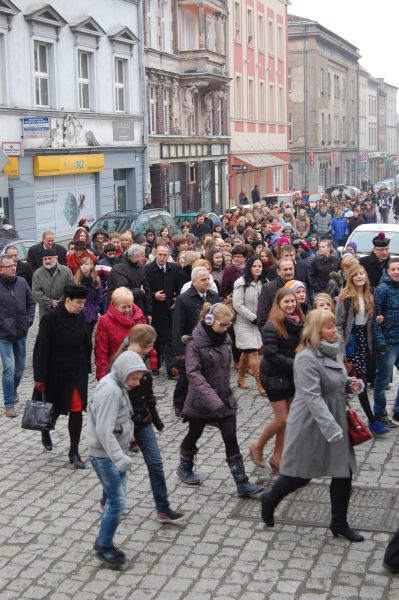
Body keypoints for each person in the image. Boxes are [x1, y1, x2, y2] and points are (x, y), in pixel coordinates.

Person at [260, 310, 365, 543]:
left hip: (334, 416)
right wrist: (332, 429)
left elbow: (334, 381)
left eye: (334, 326)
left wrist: (350, 384)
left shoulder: (333, 349)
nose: (334, 330)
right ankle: (270, 499)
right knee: (300, 475)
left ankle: (339, 522)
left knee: (343, 471)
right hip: (311, 423)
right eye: (329, 327)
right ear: (316, 331)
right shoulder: (306, 358)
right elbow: (312, 397)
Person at [177, 302, 264, 498]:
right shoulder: (194, 344)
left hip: (224, 399)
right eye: (223, 325)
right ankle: (185, 466)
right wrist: (213, 400)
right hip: (201, 401)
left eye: (228, 325)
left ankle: (242, 483)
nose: (227, 329)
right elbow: (194, 375)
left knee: (230, 438)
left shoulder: (225, 340)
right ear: (209, 321)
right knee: (194, 433)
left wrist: (223, 398)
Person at [110, 325, 184, 524]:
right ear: (134, 342)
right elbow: (115, 399)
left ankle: (163, 508)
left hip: (143, 421)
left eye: (151, 347)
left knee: (156, 463)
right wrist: (125, 430)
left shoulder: (142, 361)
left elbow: (148, 396)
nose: (149, 350)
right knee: (120, 466)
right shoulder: (120, 363)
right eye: (146, 346)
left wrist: (157, 420)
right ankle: (109, 500)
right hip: (124, 424)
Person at [88, 350, 147, 566]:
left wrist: (128, 437)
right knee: (117, 501)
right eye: (134, 378)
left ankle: (103, 542)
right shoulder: (111, 391)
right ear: (123, 372)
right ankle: (104, 546)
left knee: (116, 500)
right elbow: (104, 430)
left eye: (139, 379)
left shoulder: (116, 384)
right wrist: (120, 459)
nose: (136, 383)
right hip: (106, 457)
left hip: (114, 453)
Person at [33, 284, 91, 468]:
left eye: (84, 302)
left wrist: (87, 364)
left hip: (77, 370)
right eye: (79, 302)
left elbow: (85, 343)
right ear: (68, 300)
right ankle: (45, 428)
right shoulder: (50, 319)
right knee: (55, 408)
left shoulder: (80, 316)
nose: (82, 306)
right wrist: (39, 377)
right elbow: (42, 349)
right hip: (56, 371)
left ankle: (74, 451)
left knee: (76, 408)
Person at [249, 288, 303, 473]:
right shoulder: (272, 325)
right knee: (282, 418)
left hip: (291, 376)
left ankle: (277, 458)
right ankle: (257, 446)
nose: (290, 305)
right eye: (286, 302)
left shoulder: (298, 322)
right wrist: (297, 364)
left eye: (292, 301)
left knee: (288, 420)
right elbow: (271, 355)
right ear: (278, 304)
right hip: (274, 376)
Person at [336, 264, 387, 437]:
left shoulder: (369, 295)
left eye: (362, 274)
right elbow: (338, 324)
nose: (359, 277)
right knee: (361, 381)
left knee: (366, 378)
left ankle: (342, 418)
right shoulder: (345, 298)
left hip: (367, 341)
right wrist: (341, 348)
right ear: (350, 277)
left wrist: (378, 319)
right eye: (356, 274)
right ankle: (372, 421)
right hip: (352, 342)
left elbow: (371, 321)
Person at [172, 266, 219, 417]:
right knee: (186, 378)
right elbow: (177, 326)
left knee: (208, 376)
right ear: (194, 281)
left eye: (208, 279)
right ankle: (179, 404)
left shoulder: (213, 296)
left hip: (210, 344)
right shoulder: (183, 299)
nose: (207, 282)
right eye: (203, 279)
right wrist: (179, 351)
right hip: (190, 344)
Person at [0, 255, 35, 417]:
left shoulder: (21, 282)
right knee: (9, 368)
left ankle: (13, 389)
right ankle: (9, 404)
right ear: (1, 269)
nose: (14, 268)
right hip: (3, 335)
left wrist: (28, 320)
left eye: (14, 265)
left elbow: (31, 303)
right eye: (9, 266)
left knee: (20, 368)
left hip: (21, 332)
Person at [95, 287, 148, 381]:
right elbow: (101, 351)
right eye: (124, 307)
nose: (127, 310)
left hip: (137, 369)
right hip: (117, 370)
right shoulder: (105, 321)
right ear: (115, 305)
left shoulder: (138, 317)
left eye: (129, 306)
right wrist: (102, 376)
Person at [145, 243, 180, 379]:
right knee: (156, 340)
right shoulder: (148, 269)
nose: (162, 257)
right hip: (155, 310)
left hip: (170, 309)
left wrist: (177, 299)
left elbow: (179, 287)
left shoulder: (174, 268)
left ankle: (171, 369)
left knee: (170, 339)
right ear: (155, 254)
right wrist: (154, 295)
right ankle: (155, 365)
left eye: (165, 255)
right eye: (160, 254)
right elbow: (145, 289)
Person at [233, 257, 266, 395]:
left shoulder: (264, 282)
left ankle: (240, 378)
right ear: (249, 267)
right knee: (253, 351)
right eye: (255, 266)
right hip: (242, 322)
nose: (258, 268)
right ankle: (260, 385)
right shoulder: (240, 283)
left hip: (257, 322)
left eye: (260, 266)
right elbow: (237, 304)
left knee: (247, 351)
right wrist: (252, 318)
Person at [372, 258, 399, 428]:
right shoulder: (382, 289)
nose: (397, 272)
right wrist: (380, 342)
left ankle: (397, 409)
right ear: (388, 271)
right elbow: (374, 319)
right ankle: (379, 412)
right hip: (388, 343)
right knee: (382, 381)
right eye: (393, 269)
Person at [108, 244, 152, 317]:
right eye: (143, 256)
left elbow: (147, 290)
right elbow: (123, 292)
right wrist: (140, 292)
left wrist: (148, 312)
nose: (145, 258)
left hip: (139, 311)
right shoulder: (118, 269)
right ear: (135, 256)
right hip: (122, 311)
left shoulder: (141, 268)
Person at [32, 248, 73, 320]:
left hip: (64, 309)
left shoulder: (66, 271)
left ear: (56, 258)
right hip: (45, 311)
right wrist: (50, 302)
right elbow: (36, 292)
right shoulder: (37, 274)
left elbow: (70, 288)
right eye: (45, 259)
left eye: (50, 258)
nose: (47, 261)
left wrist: (60, 302)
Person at [257, 258, 295, 330]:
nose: (289, 272)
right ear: (278, 272)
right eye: (285, 269)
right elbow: (262, 317)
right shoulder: (268, 288)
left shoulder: (299, 286)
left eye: (291, 269)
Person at [74, 257, 103, 339]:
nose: (83, 266)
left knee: (87, 336)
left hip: (91, 311)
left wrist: (96, 309)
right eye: (82, 264)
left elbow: (99, 298)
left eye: (86, 264)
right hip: (78, 311)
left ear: (91, 266)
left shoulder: (96, 280)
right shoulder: (75, 279)